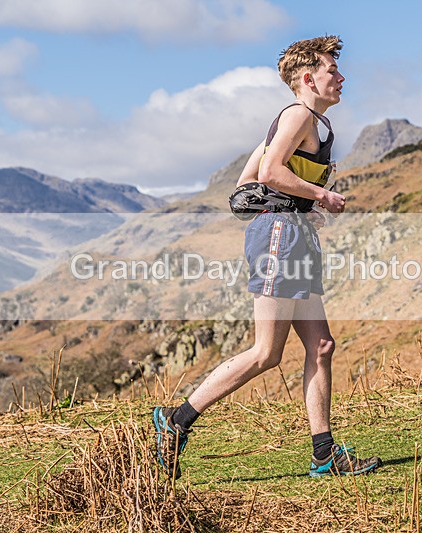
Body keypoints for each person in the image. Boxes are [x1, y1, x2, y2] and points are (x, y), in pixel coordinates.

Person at [153, 35, 382, 479]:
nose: (341, 77)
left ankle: (324, 454)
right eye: (332, 70)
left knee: (321, 346)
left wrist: (301, 207)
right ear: (307, 77)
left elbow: (245, 187)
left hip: (292, 234)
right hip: (279, 238)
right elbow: (270, 173)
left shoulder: (304, 121)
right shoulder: (298, 114)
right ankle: (175, 423)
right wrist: (319, 196)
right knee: (266, 353)